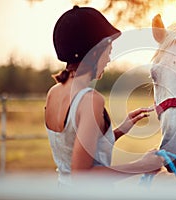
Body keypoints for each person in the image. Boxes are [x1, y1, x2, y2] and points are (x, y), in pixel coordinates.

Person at [45, 5, 163, 185]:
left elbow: (76, 149)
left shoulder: (54, 92)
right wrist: (142, 165)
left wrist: (121, 129)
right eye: (108, 47)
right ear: (94, 51)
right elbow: (82, 175)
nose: (109, 56)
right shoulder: (90, 100)